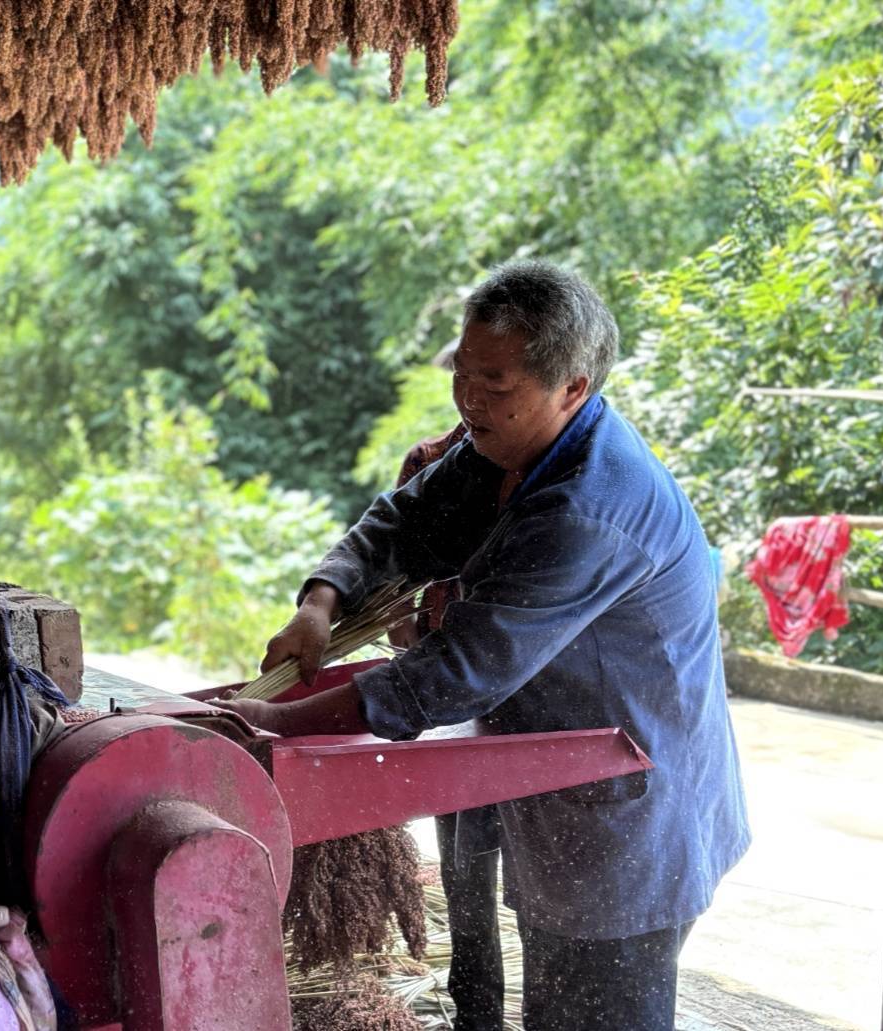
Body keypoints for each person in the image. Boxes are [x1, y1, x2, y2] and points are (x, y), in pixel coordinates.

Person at [219, 260, 750, 1031]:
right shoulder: (506, 446)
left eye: (494, 383)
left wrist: (275, 725)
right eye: (462, 374)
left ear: (572, 386)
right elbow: (402, 521)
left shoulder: (587, 508)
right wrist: (320, 602)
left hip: (634, 818)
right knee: (556, 1006)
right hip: (567, 795)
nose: (468, 399)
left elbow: (455, 674)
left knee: (589, 1013)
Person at [388, 377, 505, 1031]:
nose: (476, 399)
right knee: (465, 860)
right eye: (468, 379)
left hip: (517, 689)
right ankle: (477, 1006)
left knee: (527, 867)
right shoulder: (432, 462)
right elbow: (395, 570)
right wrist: (409, 636)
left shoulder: (550, 473)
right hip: (450, 690)